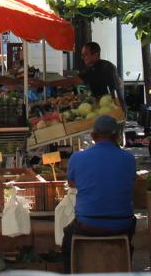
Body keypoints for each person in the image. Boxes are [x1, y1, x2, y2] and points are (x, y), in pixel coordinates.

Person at [62, 115, 136, 273]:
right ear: (116, 136)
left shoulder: (78, 157)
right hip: (122, 224)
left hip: (88, 224)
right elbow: (129, 182)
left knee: (67, 236)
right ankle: (126, 259)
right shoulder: (129, 159)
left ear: (93, 136)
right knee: (132, 226)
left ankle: (69, 271)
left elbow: (72, 183)